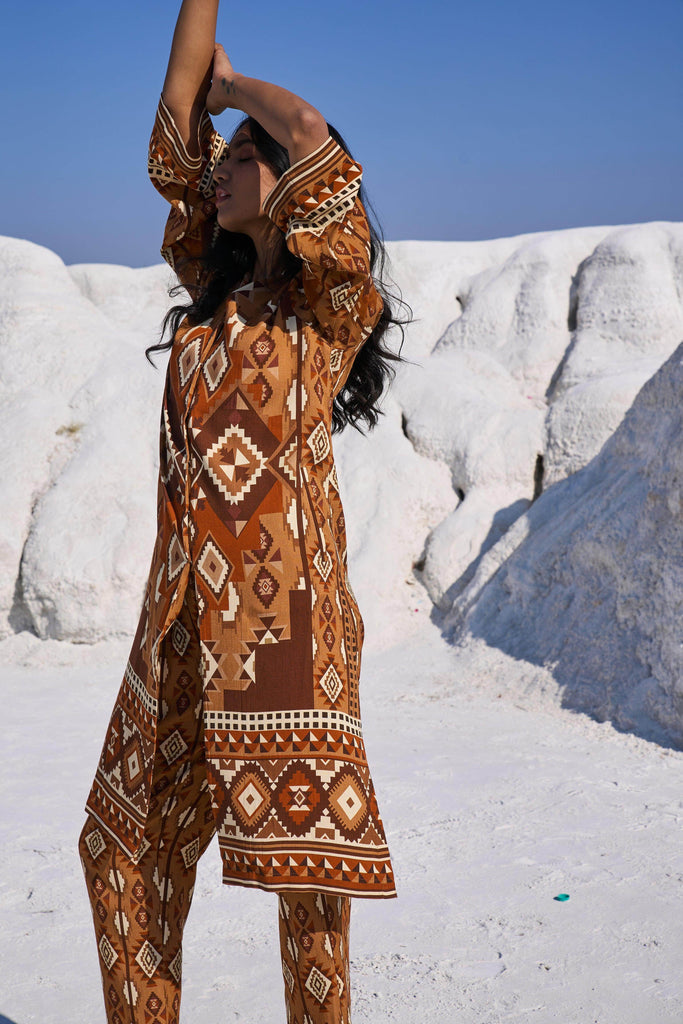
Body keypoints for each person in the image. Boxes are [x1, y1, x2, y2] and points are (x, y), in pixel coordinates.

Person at [78, 1, 410, 1021]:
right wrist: (204, 76)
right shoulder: (208, 291)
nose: (217, 167)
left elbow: (306, 129)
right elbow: (175, 111)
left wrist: (231, 89)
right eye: (218, 157)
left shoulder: (329, 307)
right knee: (119, 849)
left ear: (290, 188)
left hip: (290, 634)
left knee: (309, 886)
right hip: (179, 623)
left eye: (239, 157)